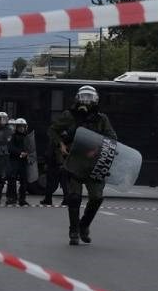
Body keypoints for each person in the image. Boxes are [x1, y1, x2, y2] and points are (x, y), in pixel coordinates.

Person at [49, 85, 117, 245]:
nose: (86, 101)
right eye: (83, 97)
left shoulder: (101, 119)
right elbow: (52, 130)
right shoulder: (69, 116)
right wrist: (60, 144)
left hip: (95, 164)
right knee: (74, 197)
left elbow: (112, 138)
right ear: (78, 99)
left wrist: (99, 147)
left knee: (96, 197)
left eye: (89, 98)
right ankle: (73, 231)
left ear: (95, 101)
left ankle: (83, 225)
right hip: (74, 163)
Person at [6, 118, 35, 206]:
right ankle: (12, 198)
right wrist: (20, 153)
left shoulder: (28, 137)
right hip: (14, 161)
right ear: (16, 127)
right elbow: (10, 148)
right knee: (12, 179)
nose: (22, 128)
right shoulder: (12, 136)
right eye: (20, 127)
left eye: (23, 127)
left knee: (24, 181)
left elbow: (32, 148)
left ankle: (22, 199)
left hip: (24, 161)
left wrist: (28, 154)